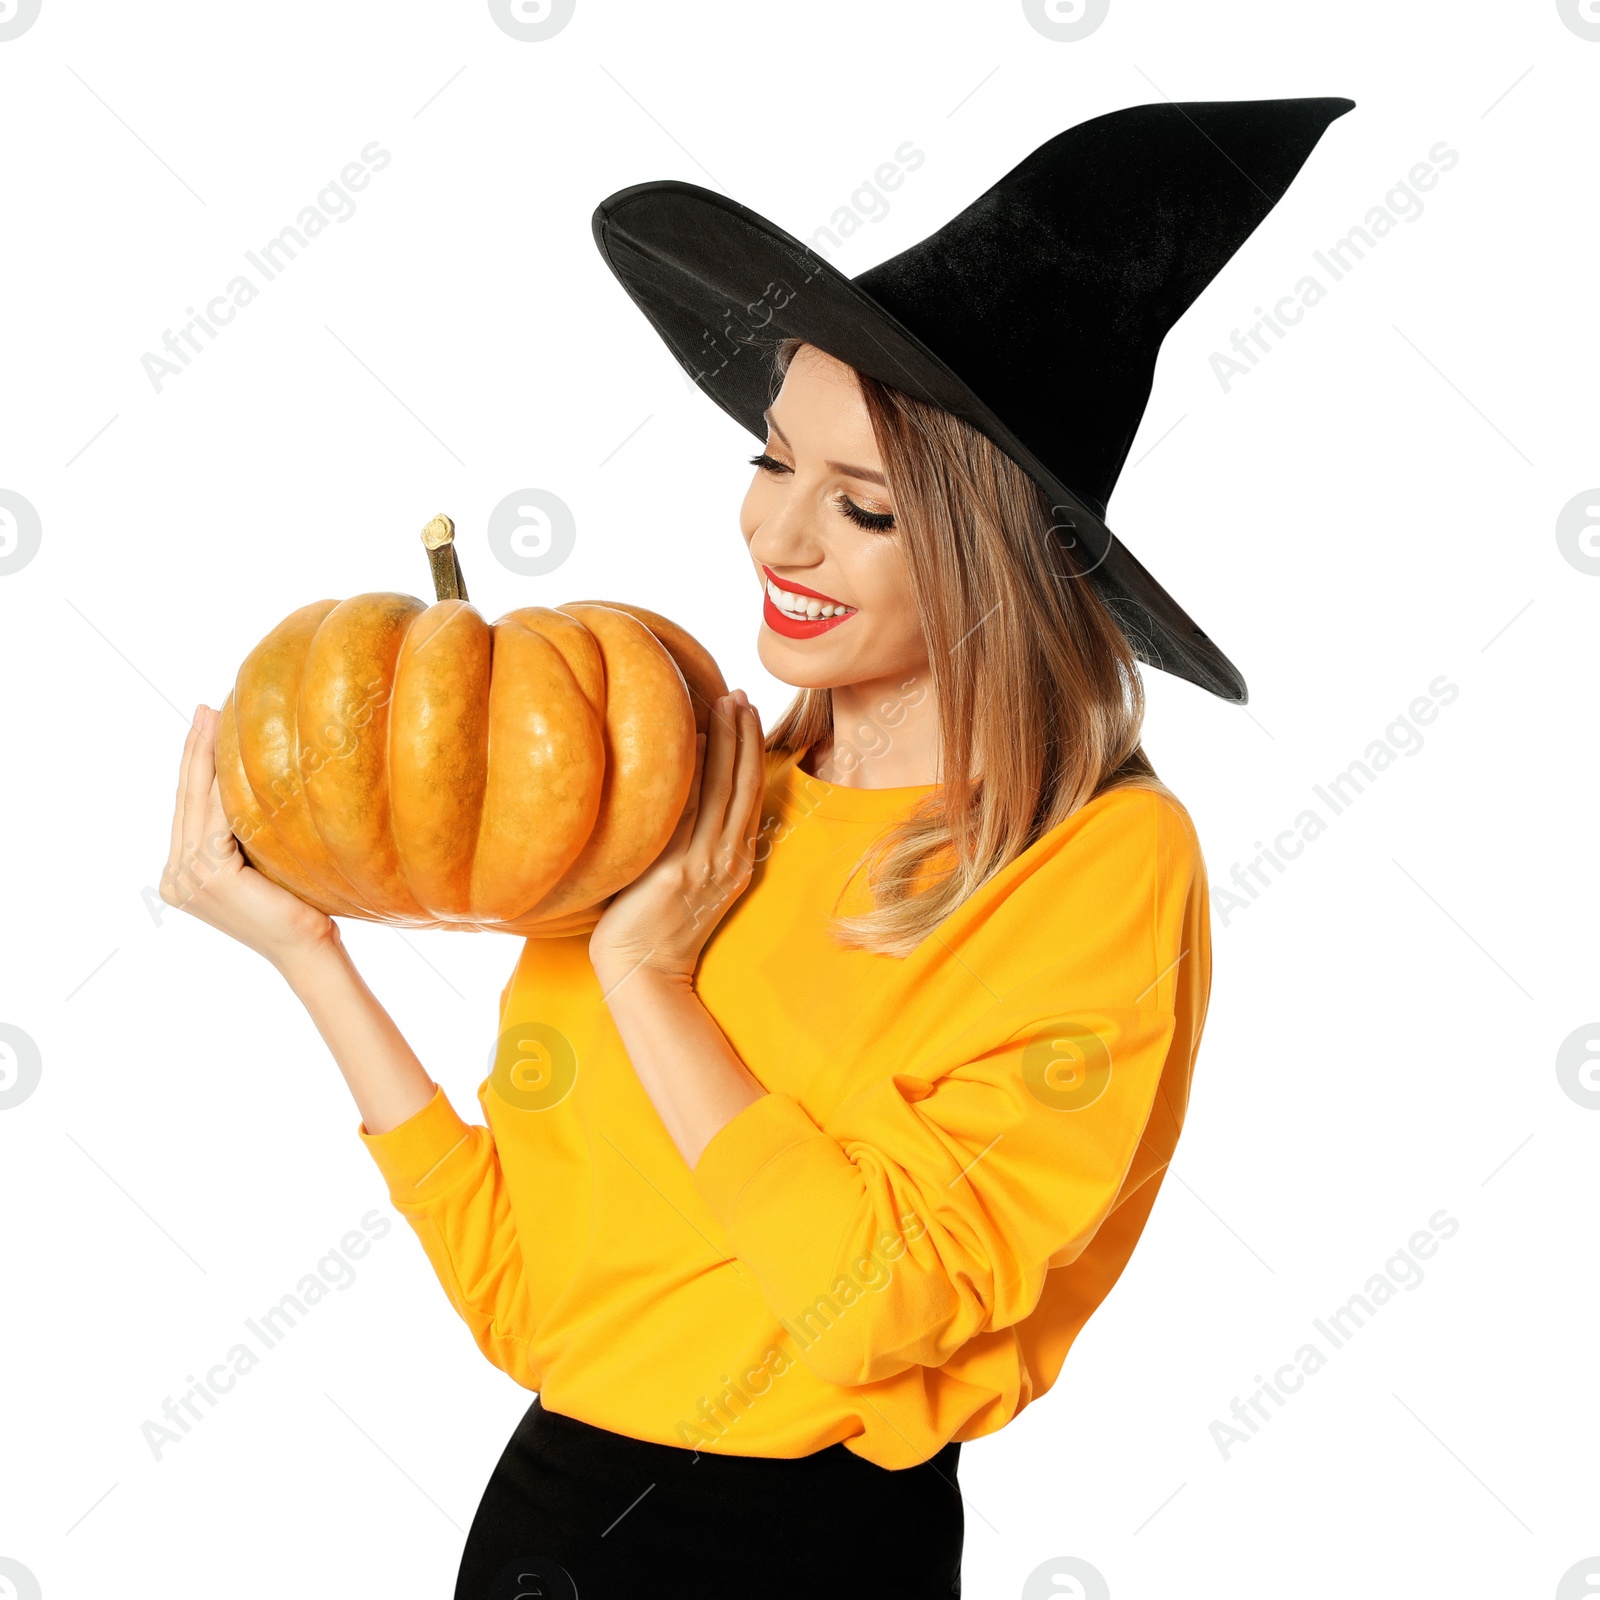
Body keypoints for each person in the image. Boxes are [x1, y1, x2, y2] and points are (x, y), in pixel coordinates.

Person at [160, 97, 1353, 1599]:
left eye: (859, 505)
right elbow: (537, 1306)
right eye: (769, 458)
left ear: (993, 552)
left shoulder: (1097, 862)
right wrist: (309, 956)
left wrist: (654, 983)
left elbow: (881, 1307)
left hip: (802, 1550)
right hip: (543, 1517)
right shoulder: (677, 784)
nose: (774, 539)